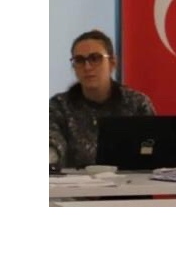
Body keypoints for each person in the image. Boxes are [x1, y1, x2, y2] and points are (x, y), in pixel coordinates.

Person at [49, 29, 156, 168]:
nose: (87, 67)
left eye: (95, 58)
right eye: (79, 60)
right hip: (76, 181)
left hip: (130, 180)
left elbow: (153, 147)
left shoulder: (136, 103)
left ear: (112, 63)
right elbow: (53, 143)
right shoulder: (59, 106)